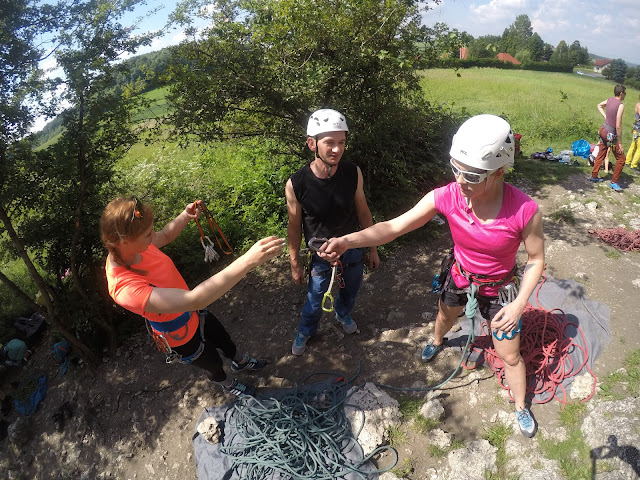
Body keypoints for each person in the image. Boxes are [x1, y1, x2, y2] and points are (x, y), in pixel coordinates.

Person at [319, 114, 545, 438]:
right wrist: (347, 241)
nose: (460, 180)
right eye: (455, 168)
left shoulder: (524, 211)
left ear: (499, 172)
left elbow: (536, 259)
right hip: (461, 276)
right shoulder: (449, 196)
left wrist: (520, 303)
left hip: (500, 290)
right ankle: (437, 341)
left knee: (510, 355)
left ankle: (521, 405)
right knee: (444, 316)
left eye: (470, 174)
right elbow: (395, 227)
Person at [101, 197, 285, 397]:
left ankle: (239, 362)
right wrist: (248, 261)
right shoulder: (125, 288)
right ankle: (226, 382)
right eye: (147, 234)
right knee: (212, 362)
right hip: (178, 334)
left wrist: (185, 216)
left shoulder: (137, 245)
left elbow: (163, 235)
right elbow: (196, 299)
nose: (152, 235)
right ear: (124, 241)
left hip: (195, 313)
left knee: (223, 339)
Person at [285, 109, 380, 356]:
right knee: (315, 299)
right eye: (329, 143)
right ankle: (306, 330)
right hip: (321, 255)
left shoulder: (352, 172)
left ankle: (343, 313)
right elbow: (294, 226)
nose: (336, 149)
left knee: (351, 289)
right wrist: (295, 262)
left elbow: (363, 210)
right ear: (312, 144)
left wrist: (372, 248)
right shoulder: (297, 183)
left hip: (352, 248)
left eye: (341, 143)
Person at [590, 84, 627, 191]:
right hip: (611, 135)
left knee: (601, 153)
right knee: (621, 159)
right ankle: (614, 182)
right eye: (625, 93)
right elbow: (618, 125)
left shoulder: (610, 100)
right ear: (621, 93)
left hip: (603, 130)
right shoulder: (620, 105)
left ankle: (594, 176)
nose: (625, 95)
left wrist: (605, 117)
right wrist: (619, 142)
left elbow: (599, 105)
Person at [625, 94, 640, 170]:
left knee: (633, 145)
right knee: (639, 148)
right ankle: (633, 165)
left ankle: (627, 161)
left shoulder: (637, 104)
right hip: (639, 129)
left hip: (636, 128)